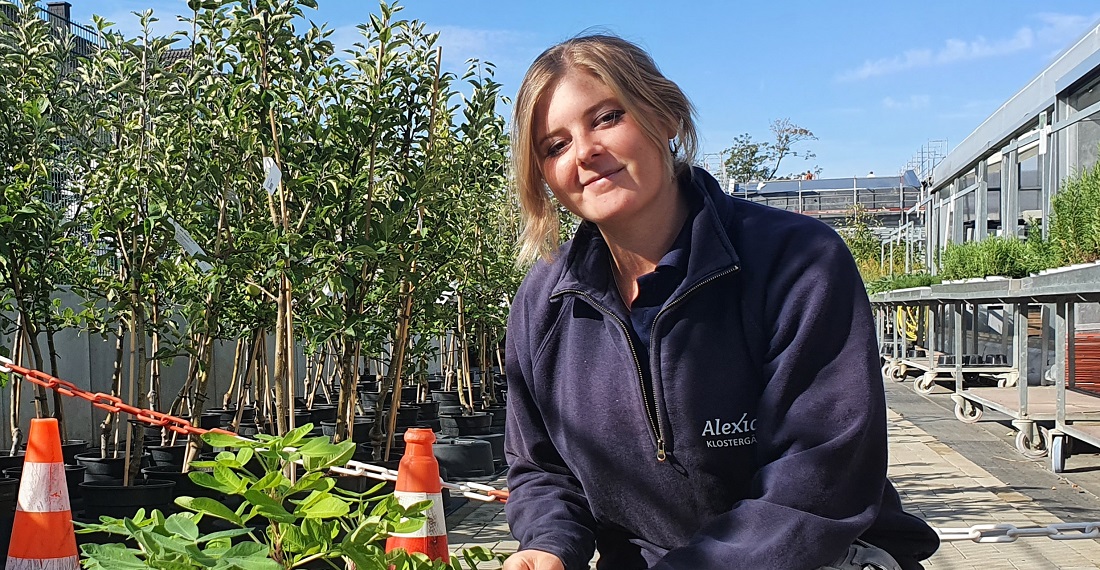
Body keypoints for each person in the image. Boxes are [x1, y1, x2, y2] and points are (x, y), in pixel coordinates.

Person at [503, 34, 939, 570]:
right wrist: (548, 544)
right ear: (544, 177)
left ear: (664, 115)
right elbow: (541, 465)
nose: (586, 152)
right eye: (555, 145)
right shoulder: (544, 303)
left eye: (607, 117)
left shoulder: (797, 262)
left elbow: (820, 478)